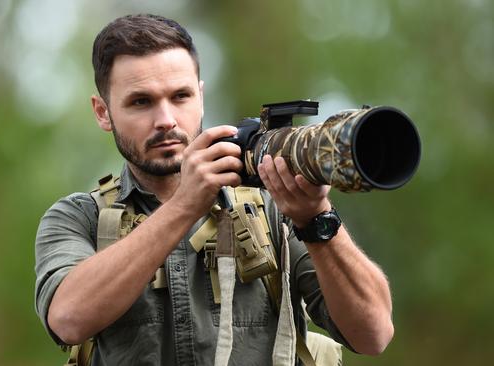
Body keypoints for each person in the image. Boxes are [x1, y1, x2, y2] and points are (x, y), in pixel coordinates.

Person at [34, 14, 394, 365]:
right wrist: (184, 206)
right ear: (103, 112)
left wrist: (317, 220)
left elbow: (373, 333)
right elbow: (68, 319)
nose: (166, 120)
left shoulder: (272, 207)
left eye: (180, 96)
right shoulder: (78, 218)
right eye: (141, 101)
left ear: (201, 97)